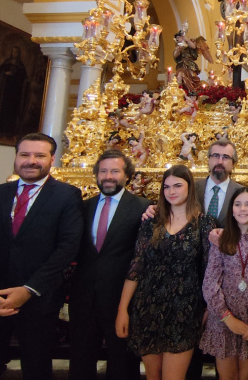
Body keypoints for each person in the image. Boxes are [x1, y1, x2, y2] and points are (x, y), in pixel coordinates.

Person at [0, 132, 84, 380]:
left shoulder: (67, 195)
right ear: (16, 157)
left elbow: (68, 246)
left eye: (40, 155)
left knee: (36, 368)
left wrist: (27, 290)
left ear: (52, 159)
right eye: (24, 154)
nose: (31, 161)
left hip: (37, 301)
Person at [116, 165, 216, 380]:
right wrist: (123, 309)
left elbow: (209, 271)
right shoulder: (151, 222)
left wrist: (208, 308)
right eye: (167, 187)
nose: (172, 191)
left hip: (184, 309)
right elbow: (136, 267)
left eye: (178, 186)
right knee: (153, 375)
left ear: (190, 188)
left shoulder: (204, 224)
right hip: (147, 306)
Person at [69, 150, 152, 380]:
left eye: (115, 171)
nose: (108, 176)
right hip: (83, 297)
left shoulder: (143, 207)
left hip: (121, 300)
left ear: (127, 176)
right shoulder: (82, 207)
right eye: (103, 171)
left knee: (122, 364)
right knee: (80, 361)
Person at [200, 187, 248, 380]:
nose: (243, 209)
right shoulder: (221, 238)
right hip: (224, 319)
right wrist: (227, 317)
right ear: (231, 209)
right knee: (227, 375)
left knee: (247, 375)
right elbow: (210, 283)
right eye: (237, 204)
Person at [0, 45, 28, 135]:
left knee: (11, 110)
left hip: (14, 92)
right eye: (13, 52)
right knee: (2, 108)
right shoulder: (6, 62)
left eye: (16, 52)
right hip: (4, 91)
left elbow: (24, 78)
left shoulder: (21, 66)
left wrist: (15, 75)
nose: (14, 54)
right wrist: (5, 74)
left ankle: (10, 128)